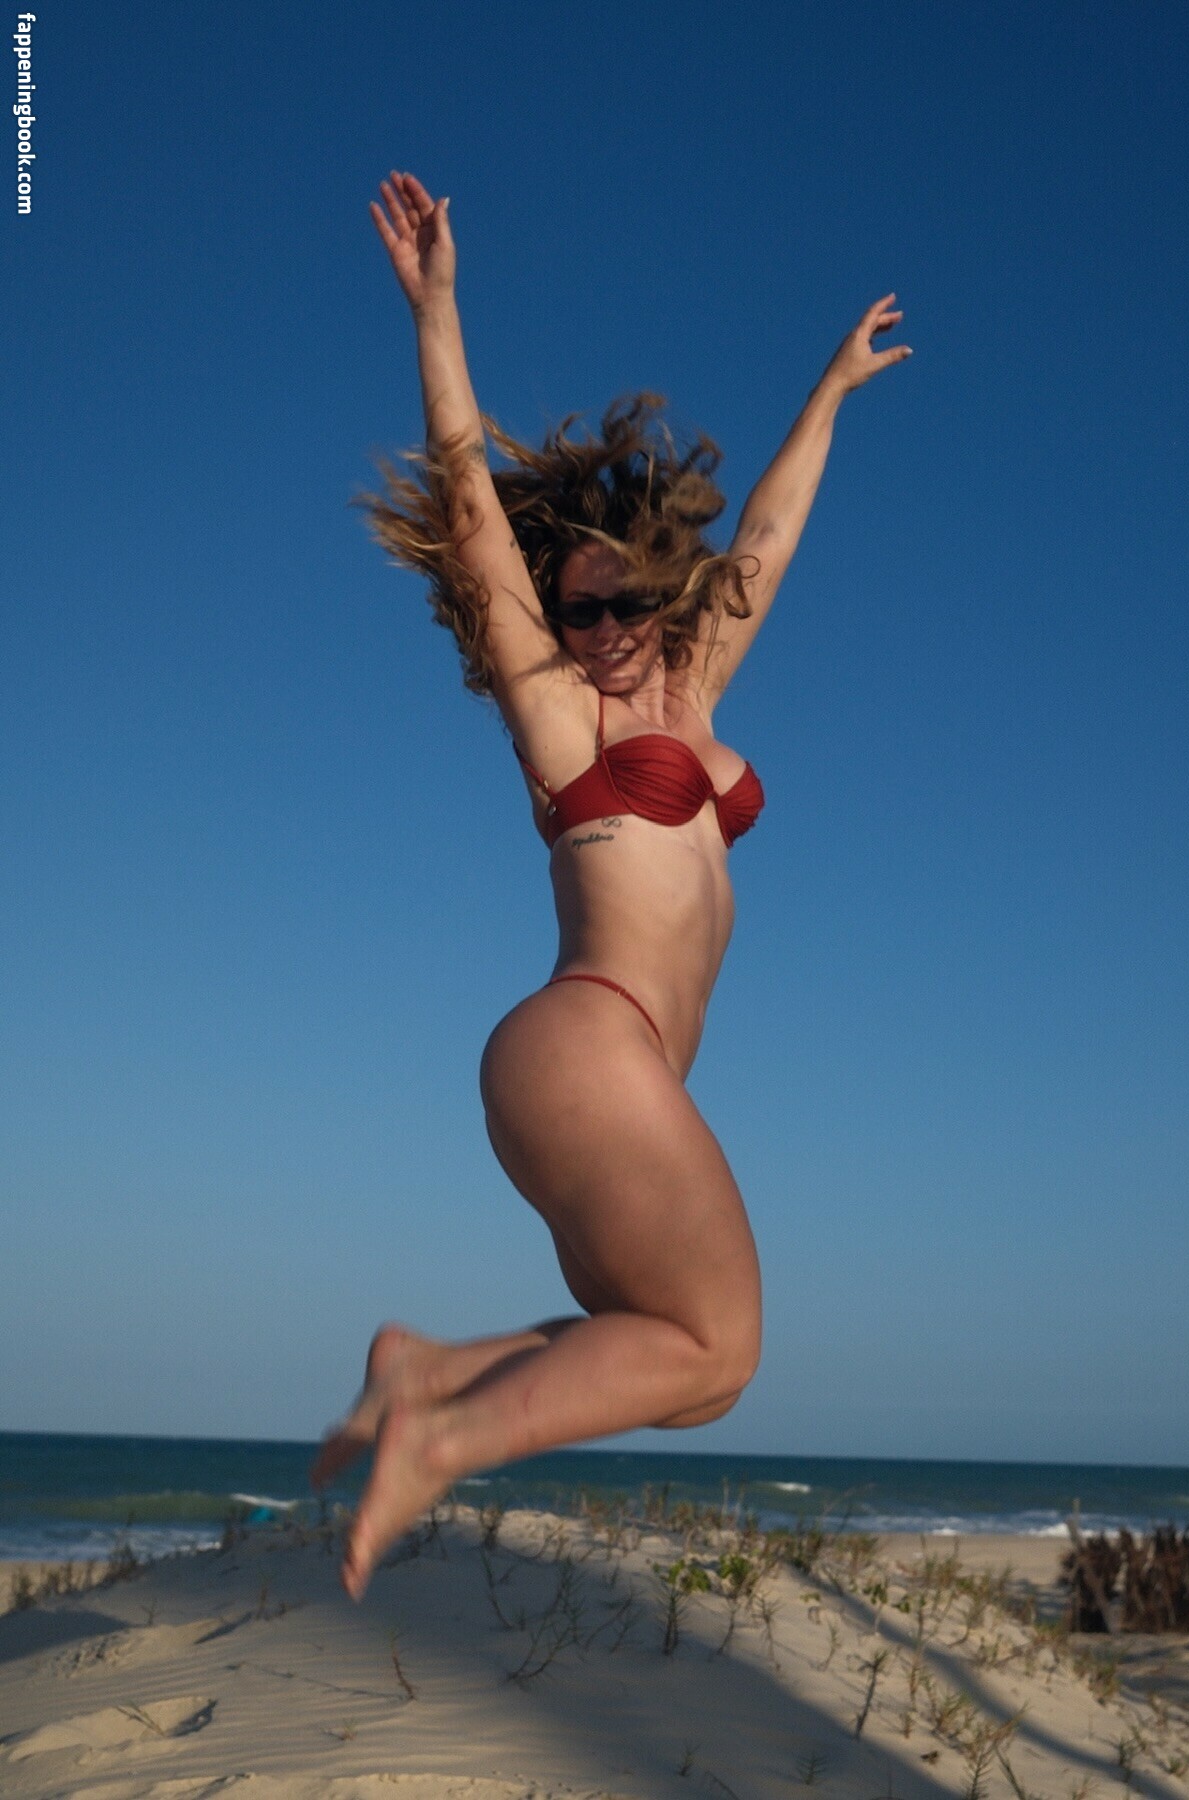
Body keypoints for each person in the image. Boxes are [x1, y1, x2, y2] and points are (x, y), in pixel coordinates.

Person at [313, 170, 911, 1600]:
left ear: (660, 582)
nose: (604, 626)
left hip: (625, 1073)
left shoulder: (693, 693)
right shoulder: (564, 723)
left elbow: (767, 538)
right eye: (576, 608)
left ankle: (428, 1371)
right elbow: (470, 505)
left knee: (691, 1370)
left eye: (627, 596)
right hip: (584, 1041)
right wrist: (437, 311)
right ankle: (440, 1444)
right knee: (719, 1339)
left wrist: (830, 391)